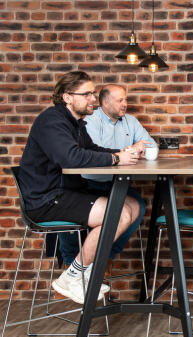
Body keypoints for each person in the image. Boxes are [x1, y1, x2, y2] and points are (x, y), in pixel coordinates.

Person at [18, 71, 140, 304]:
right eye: (87, 94)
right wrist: (116, 160)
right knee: (119, 212)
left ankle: (86, 271)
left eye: (92, 93)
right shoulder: (52, 121)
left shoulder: (75, 123)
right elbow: (71, 158)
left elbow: (91, 150)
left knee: (133, 204)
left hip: (66, 193)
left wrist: (120, 154)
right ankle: (73, 276)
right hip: (46, 200)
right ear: (67, 97)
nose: (92, 99)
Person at [57, 84, 157, 273]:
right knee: (77, 212)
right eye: (120, 100)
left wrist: (142, 149)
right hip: (89, 182)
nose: (125, 104)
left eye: (126, 99)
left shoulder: (131, 122)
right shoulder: (90, 122)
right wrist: (130, 150)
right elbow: (95, 157)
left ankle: (105, 257)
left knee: (139, 207)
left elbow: (151, 145)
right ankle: (72, 263)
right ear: (105, 103)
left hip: (115, 182)